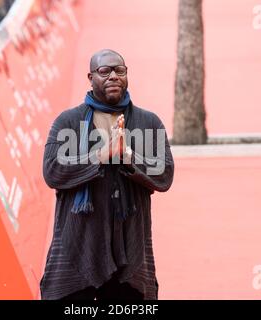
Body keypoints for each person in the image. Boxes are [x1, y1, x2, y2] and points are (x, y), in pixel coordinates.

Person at [40, 49, 175, 300]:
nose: (113, 76)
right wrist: (102, 155)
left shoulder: (149, 122)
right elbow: (52, 171)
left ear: (127, 75)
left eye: (119, 70)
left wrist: (128, 157)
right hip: (78, 246)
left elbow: (165, 173)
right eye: (104, 71)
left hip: (131, 247)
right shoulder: (67, 121)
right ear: (90, 77)